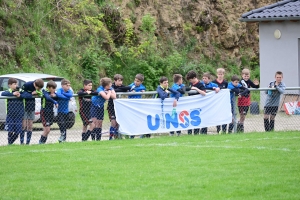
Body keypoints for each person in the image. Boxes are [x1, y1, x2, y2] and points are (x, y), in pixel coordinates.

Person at [1, 78, 32, 145]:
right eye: (14, 84)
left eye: (16, 84)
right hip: (10, 115)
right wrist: (13, 94)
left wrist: (20, 95)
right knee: (10, 130)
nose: (16, 85)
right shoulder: (8, 91)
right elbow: (3, 93)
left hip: (19, 115)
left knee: (18, 131)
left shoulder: (20, 91)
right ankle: (9, 143)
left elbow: (28, 95)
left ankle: (11, 142)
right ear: (10, 85)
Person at [20, 78, 44, 145]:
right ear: (35, 86)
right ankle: (22, 142)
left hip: (32, 107)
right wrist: (31, 94)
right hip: (24, 107)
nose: (38, 90)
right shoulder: (27, 85)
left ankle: (28, 143)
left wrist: (38, 94)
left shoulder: (39, 87)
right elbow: (21, 94)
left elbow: (41, 94)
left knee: (30, 126)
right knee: (23, 126)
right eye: (38, 88)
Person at [107, 74, 131, 140]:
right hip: (111, 107)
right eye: (119, 81)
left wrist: (120, 89)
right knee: (113, 123)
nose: (120, 82)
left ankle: (117, 137)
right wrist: (119, 90)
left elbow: (128, 88)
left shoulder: (121, 86)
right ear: (114, 81)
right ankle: (111, 137)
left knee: (118, 122)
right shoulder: (111, 86)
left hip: (119, 107)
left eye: (121, 81)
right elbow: (113, 90)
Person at [237, 68, 259, 133]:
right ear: (242, 75)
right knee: (242, 114)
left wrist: (257, 84)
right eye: (245, 76)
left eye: (247, 76)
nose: (246, 77)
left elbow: (255, 86)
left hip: (247, 100)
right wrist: (243, 93)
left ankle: (241, 125)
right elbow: (240, 90)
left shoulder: (249, 81)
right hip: (241, 100)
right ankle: (239, 127)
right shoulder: (241, 82)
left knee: (244, 114)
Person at [186, 70, 206, 135]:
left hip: (198, 105)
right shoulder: (190, 84)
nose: (190, 81)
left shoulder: (200, 84)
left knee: (196, 119)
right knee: (189, 119)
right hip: (190, 104)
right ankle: (189, 133)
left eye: (191, 80)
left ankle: (196, 133)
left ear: (194, 78)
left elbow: (204, 93)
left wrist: (196, 89)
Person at [128, 74, 146, 138]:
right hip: (131, 106)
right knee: (132, 120)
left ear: (141, 82)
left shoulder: (142, 87)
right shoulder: (131, 86)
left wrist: (143, 91)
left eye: (138, 81)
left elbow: (144, 90)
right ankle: (131, 135)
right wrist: (130, 91)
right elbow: (127, 90)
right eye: (135, 80)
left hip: (138, 106)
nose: (136, 82)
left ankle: (141, 134)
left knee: (139, 120)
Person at [212, 68, 228, 134]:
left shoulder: (225, 83)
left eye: (221, 74)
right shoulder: (214, 82)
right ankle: (218, 130)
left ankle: (224, 130)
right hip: (216, 101)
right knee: (217, 115)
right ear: (217, 74)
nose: (220, 75)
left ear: (223, 75)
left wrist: (220, 88)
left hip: (223, 101)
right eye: (219, 74)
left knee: (224, 115)